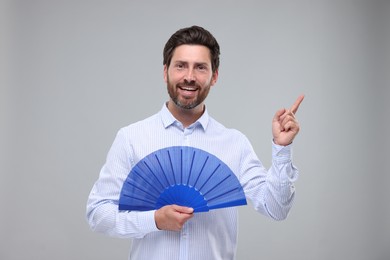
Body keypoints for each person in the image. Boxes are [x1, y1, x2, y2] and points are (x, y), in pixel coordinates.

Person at [86, 25, 304, 260]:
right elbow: (98, 214)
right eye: (181, 66)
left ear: (214, 76)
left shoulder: (234, 143)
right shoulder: (131, 138)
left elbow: (277, 209)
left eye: (200, 67)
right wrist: (154, 220)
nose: (189, 76)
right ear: (165, 72)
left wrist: (282, 148)